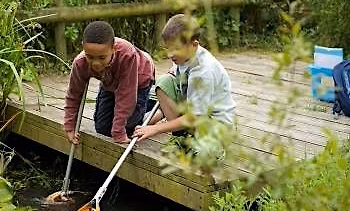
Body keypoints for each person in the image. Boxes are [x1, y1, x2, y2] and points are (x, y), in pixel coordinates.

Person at [133, 14, 236, 142]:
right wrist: (175, 71)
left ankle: (193, 139)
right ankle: (182, 134)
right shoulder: (184, 57)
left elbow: (194, 117)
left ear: (194, 44)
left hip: (216, 123)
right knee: (164, 82)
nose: (170, 54)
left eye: (176, 49)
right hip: (195, 112)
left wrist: (156, 129)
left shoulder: (203, 72)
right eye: (168, 48)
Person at [64, 21, 155, 144]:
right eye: (90, 57)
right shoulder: (80, 62)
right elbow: (74, 95)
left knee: (128, 127)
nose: (96, 63)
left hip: (139, 78)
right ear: (83, 47)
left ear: (113, 48)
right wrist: (70, 127)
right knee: (102, 128)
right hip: (109, 82)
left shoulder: (127, 55)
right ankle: (140, 109)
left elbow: (126, 95)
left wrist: (119, 132)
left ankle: (152, 105)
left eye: (101, 57)